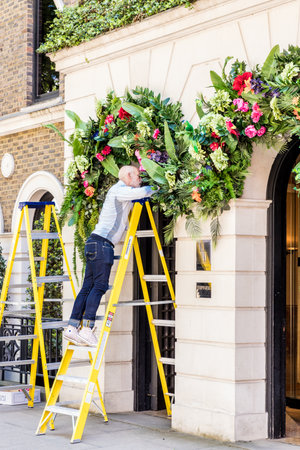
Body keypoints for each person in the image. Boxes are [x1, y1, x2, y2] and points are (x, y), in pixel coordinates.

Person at [63, 165, 155, 347]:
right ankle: (87, 328)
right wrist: (158, 186)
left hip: (94, 243)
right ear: (128, 175)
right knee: (99, 286)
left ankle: (72, 328)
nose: (140, 179)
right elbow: (143, 192)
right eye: (138, 176)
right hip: (102, 244)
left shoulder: (119, 192)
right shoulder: (120, 191)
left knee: (87, 287)